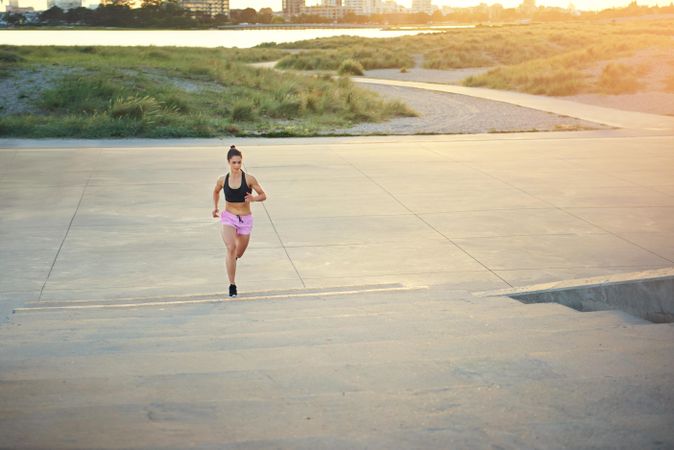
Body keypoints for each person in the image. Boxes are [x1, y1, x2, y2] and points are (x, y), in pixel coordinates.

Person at [212, 145, 267, 297]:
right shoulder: (222, 179)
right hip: (228, 217)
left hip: (245, 219)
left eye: (239, 162)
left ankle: (233, 260)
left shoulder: (249, 179)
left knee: (238, 252)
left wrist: (254, 198)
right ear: (228, 162)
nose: (237, 165)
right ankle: (232, 285)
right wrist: (215, 207)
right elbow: (216, 191)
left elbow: (263, 195)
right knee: (230, 248)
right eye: (234, 162)